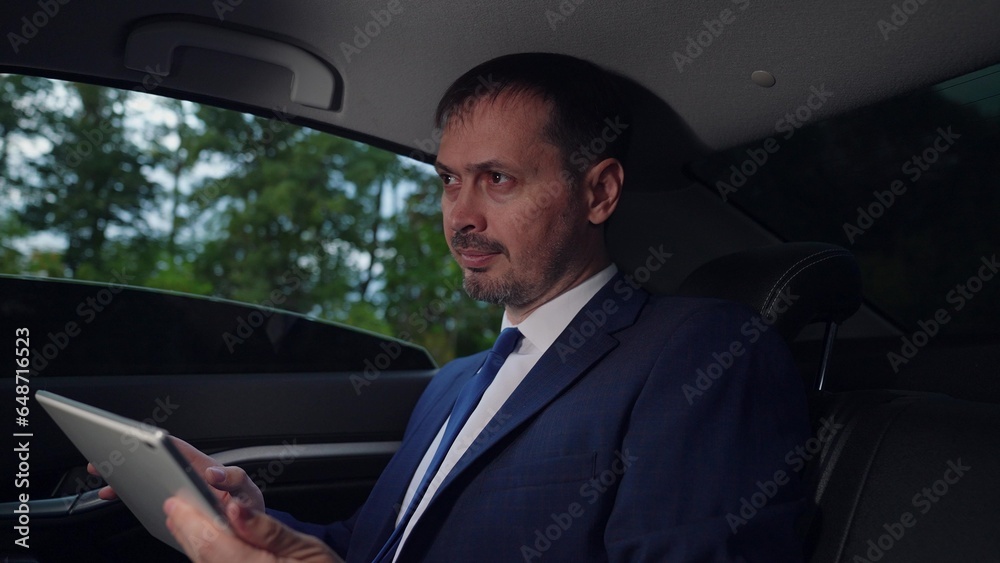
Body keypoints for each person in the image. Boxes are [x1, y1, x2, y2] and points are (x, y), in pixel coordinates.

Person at [94, 53, 810, 562]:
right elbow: (378, 547)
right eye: (448, 181)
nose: (459, 217)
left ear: (599, 192)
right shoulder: (450, 385)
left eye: (497, 179)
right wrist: (247, 512)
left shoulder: (705, 352)